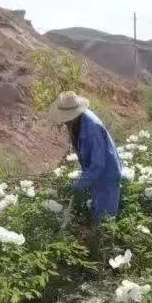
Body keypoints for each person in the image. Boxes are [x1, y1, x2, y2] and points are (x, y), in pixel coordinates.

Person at [49, 91, 123, 224]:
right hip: (98, 176)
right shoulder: (79, 121)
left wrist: (80, 183)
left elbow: (98, 164)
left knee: (104, 221)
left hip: (107, 176)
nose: (64, 122)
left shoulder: (91, 129)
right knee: (97, 214)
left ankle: (104, 243)